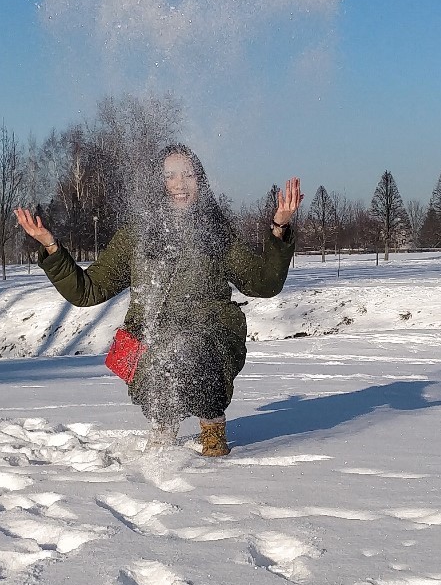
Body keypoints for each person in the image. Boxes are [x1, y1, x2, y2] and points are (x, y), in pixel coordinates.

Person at [17, 146, 303, 457]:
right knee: (163, 356)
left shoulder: (216, 232)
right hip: (151, 347)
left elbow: (263, 283)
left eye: (188, 174)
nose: (180, 183)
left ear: (200, 180)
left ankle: (213, 428)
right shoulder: (136, 236)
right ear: (160, 183)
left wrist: (280, 228)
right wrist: (51, 246)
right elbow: (87, 290)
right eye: (171, 176)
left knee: (191, 348)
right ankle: (163, 430)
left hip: (212, 340)